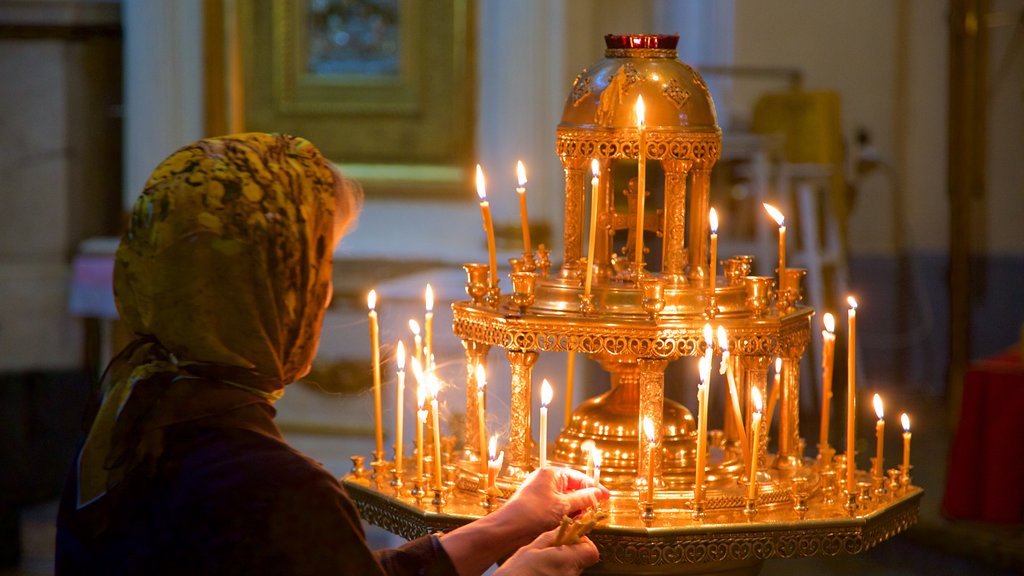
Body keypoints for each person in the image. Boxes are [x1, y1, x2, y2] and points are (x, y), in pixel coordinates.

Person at [55, 133, 608, 575]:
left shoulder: (131, 409)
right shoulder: (275, 486)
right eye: (317, 269)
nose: (321, 296)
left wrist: (505, 526)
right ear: (271, 293)